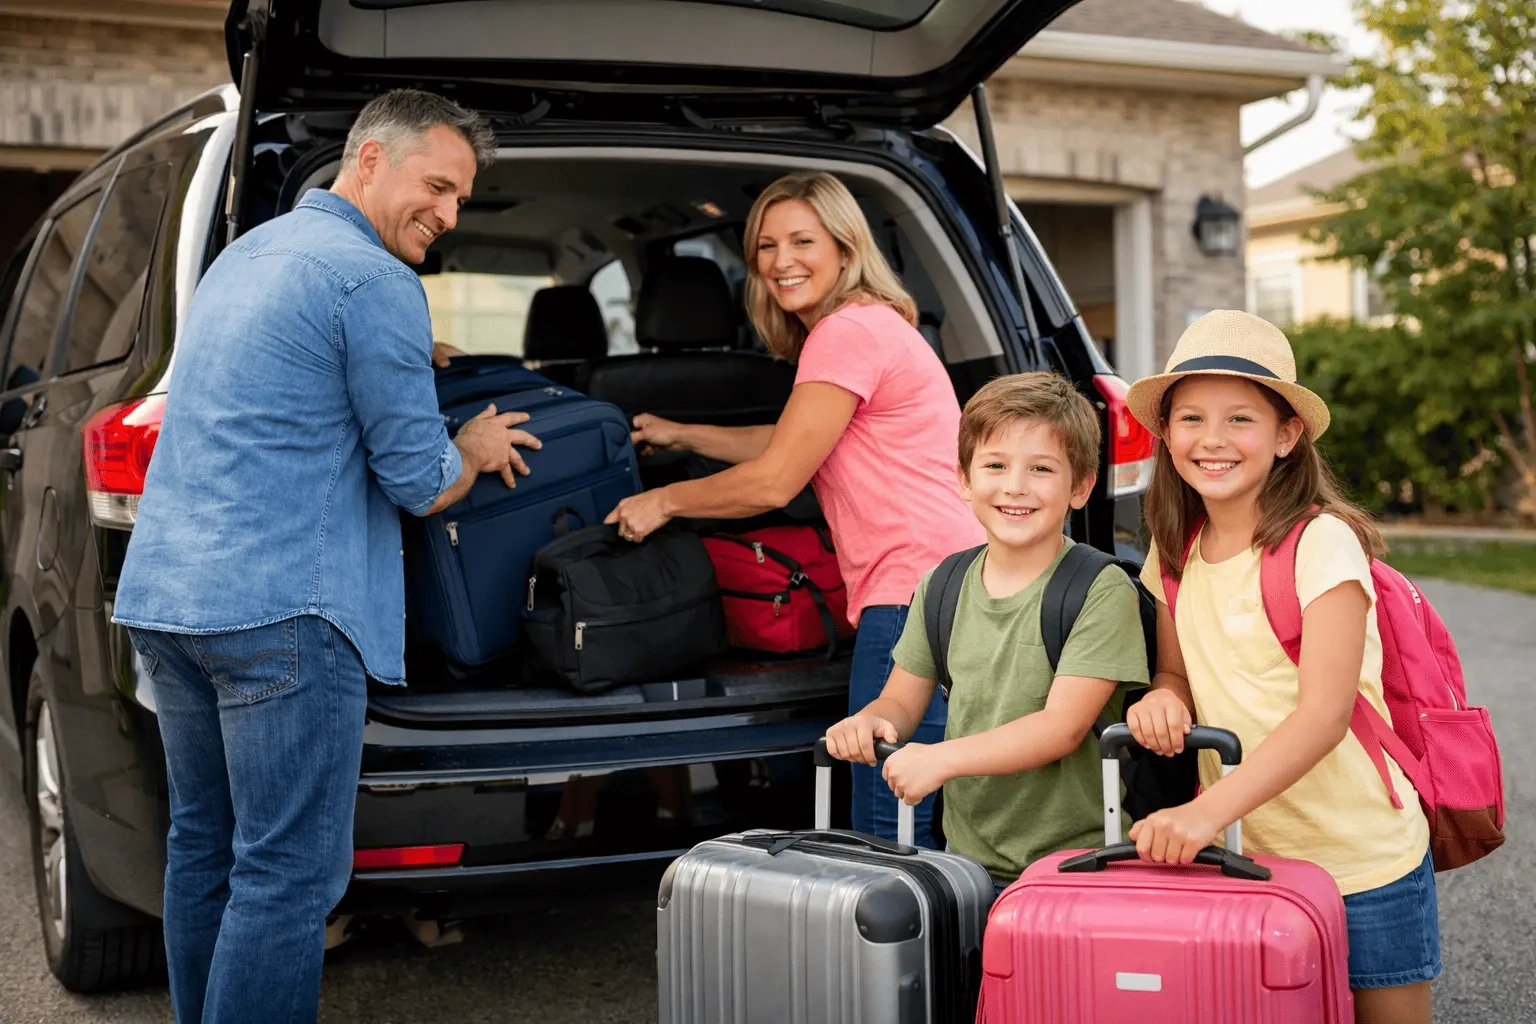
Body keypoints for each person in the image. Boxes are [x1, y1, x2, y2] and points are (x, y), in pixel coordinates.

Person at [112, 90, 542, 1024]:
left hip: (169, 600)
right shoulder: (374, 281)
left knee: (206, 850)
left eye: (463, 197)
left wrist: (407, 352)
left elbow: (280, 376)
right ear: (371, 160)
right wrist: (469, 447)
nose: (450, 213)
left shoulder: (245, 257)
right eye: (438, 185)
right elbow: (419, 480)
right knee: (289, 872)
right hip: (283, 613)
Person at [604, 171, 983, 847]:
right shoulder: (871, 324)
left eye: (803, 241)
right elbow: (798, 440)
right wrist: (683, 433)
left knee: (888, 817)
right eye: (766, 246)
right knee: (929, 804)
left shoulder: (846, 332)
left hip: (911, 595)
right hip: (952, 584)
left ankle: (910, 950)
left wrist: (665, 500)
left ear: (844, 247)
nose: (782, 262)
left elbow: (777, 480)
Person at [1123, 310, 1438, 1024]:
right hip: (1249, 857)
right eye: (1192, 418)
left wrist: (1202, 813)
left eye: (1241, 419)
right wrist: (1162, 699)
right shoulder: (1174, 552)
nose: (1212, 440)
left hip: (1362, 859)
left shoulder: (1322, 544)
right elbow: (1175, 674)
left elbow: (1324, 715)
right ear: (1166, 433)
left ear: (1286, 436)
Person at [822, 372, 1149, 889]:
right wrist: (868, 722)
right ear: (965, 480)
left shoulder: (1099, 588)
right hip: (967, 865)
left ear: (1081, 487)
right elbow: (902, 705)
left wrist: (941, 760)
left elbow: (1060, 728)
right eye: (995, 465)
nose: (1015, 486)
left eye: (1041, 469)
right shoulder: (943, 584)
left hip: (1076, 869)